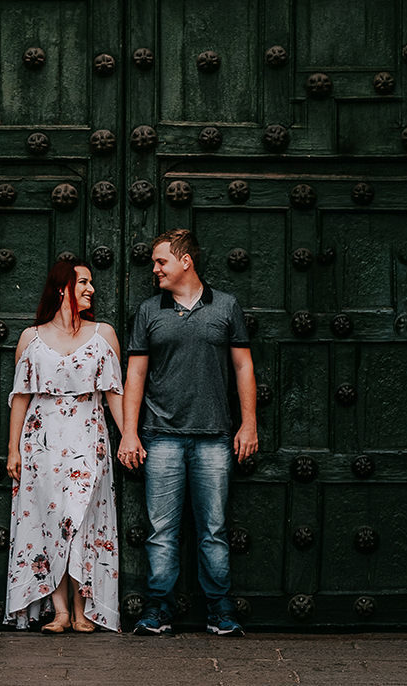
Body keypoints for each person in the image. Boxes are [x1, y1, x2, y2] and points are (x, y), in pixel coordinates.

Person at [116, 228, 258, 637]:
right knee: (162, 531)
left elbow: (243, 367)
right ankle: (158, 609)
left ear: (185, 261)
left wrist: (248, 423)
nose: (155, 269)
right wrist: (129, 432)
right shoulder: (149, 311)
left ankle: (220, 610)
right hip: (160, 436)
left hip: (214, 436)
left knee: (213, 529)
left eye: (161, 261)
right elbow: (135, 374)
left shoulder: (226, 306)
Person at [5, 259, 124, 632]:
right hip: (41, 441)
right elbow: (20, 397)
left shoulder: (103, 334)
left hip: (89, 436)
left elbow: (114, 393)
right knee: (49, 521)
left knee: (83, 518)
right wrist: (13, 449)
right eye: (83, 282)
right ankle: (59, 612)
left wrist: (129, 436)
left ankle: (82, 608)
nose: (91, 289)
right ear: (62, 288)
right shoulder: (31, 338)